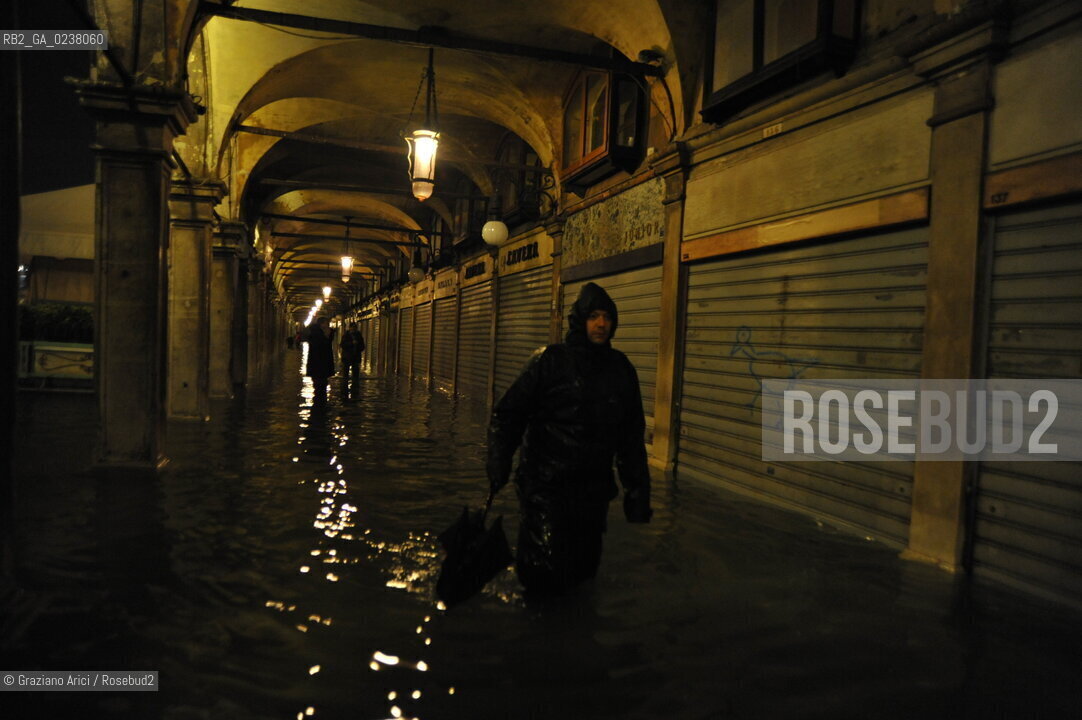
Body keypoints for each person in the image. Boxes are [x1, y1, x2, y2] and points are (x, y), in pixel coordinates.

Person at [487, 282, 652, 596]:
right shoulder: (550, 361)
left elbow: (630, 436)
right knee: (542, 571)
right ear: (580, 320)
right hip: (546, 488)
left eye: (607, 317)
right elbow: (508, 414)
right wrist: (498, 463)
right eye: (593, 316)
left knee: (583, 571)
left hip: (592, 493)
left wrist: (637, 494)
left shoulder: (620, 369)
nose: (601, 324)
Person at [304, 316, 335, 404]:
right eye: (326, 323)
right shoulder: (315, 333)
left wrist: (328, 335)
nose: (328, 325)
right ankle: (319, 405)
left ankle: (321, 403)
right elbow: (320, 346)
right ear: (321, 324)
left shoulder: (326, 332)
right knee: (319, 384)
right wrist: (326, 336)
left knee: (322, 383)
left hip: (323, 362)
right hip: (317, 363)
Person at [339, 321, 366, 400]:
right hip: (347, 357)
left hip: (355, 357)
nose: (353, 329)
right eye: (352, 327)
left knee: (356, 374)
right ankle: (344, 390)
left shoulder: (359, 336)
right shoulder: (345, 335)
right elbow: (342, 345)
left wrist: (357, 345)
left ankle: (355, 390)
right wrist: (351, 343)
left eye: (355, 327)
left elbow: (362, 346)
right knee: (345, 374)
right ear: (349, 328)